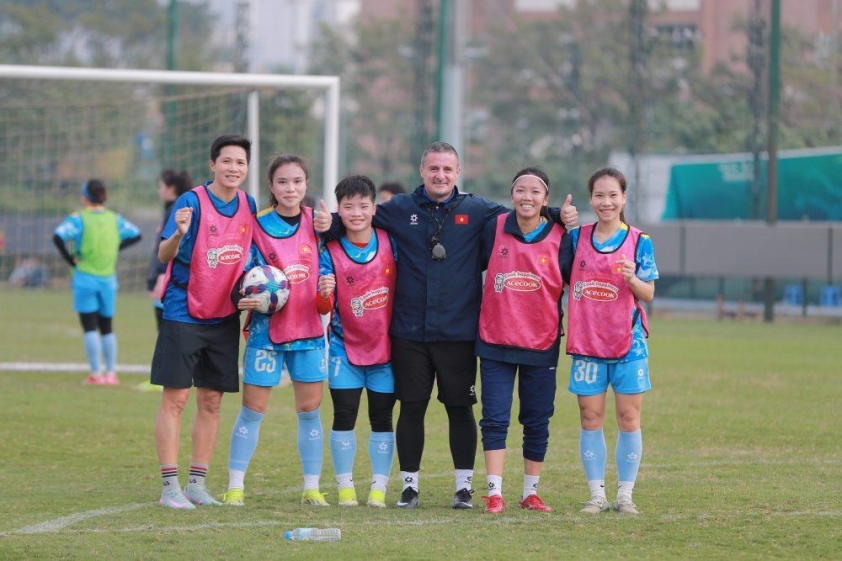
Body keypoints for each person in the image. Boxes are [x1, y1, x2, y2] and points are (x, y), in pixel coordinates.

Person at [326, 141, 577, 510]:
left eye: (447, 169)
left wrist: (556, 214)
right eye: (433, 168)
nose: (440, 175)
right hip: (409, 332)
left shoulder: (479, 210)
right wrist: (330, 223)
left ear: (458, 172)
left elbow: (523, 212)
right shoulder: (399, 209)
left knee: (460, 409)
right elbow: (358, 218)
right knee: (411, 408)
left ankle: (464, 488)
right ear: (422, 171)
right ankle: (409, 487)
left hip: (460, 332)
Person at [150, 135, 257, 510]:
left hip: (224, 315)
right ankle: (169, 487)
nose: (233, 168)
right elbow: (163, 254)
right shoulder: (190, 201)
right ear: (213, 165)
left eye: (240, 162)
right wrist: (179, 234)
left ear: (246, 168)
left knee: (211, 402)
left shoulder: (249, 204)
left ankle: (196, 484)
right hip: (184, 311)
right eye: (226, 161)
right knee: (176, 399)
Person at [223, 154, 331, 507]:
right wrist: (242, 295)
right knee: (252, 410)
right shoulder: (255, 225)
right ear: (271, 186)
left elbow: (327, 276)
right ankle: (235, 487)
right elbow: (240, 275)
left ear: (306, 184)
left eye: (297, 181)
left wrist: (326, 290)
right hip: (265, 334)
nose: (290, 188)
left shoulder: (319, 224)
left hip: (309, 333)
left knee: (310, 412)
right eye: (283, 182)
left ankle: (311, 488)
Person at [561, 166, 658, 516]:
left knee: (629, 417)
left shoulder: (640, 241)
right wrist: (560, 218)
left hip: (628, 344)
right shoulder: (576, 238)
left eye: (613, 195)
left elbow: (648, 293)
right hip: (588, 344)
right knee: (590, 417)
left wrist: (633, 279)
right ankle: (596, 495)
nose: (606, 202)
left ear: (624, 198)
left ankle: (625, 495)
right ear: (591, 199)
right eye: (599, 195)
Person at [476, 167, 566, 514]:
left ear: (546, 199)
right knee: (494, 418)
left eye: (535, 191)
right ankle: (494, 492)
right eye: (520, 190)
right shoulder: (494, 227)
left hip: (541, 341)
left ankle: (531, 492)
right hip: (495, 339)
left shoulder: (561, 234)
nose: (527, 197)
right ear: (511, 194)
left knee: (537, 420)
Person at [318, 175, 398, 508]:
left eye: (363, 206)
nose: (356, 213)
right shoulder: (330, 251)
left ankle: (379, 489)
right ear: (339, 210)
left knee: (382, 419)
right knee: (344, 416)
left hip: (386, 351)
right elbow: (322, 307)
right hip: (344, 347)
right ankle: (345, 488)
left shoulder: (391, 242)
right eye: (348, 207)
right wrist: (323, 293)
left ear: (374, 208)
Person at [53, 179, 142, 386]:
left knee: (90, 327)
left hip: (84, 278)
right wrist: (115, 248)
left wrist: (70, 260)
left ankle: (95, 373)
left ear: (85, 197)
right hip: (108, 279)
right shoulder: (114, 219)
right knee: (107, 327)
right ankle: (111, 373)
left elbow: (58, 237)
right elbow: (137, 235)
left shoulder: (79, 219)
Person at [147, 169, 192, 330]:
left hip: (166, 280)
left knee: (166, 332)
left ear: (171, 189)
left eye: (161, 186)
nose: (158, 191)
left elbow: (174, 246)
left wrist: (161, 275)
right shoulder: (169, 209)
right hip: (163, 278)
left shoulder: (176, 211)